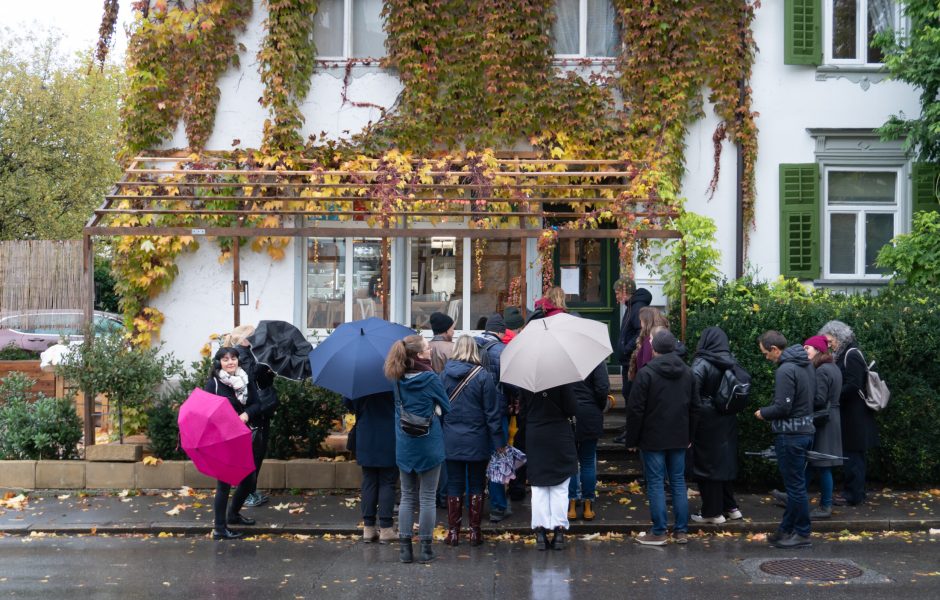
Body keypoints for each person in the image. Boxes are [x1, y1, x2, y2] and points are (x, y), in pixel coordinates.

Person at [384, 334, 451, 564]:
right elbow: (447, 406)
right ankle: (425, 549)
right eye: (427, 348)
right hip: (429, 443)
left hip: (404, 444)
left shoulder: (396, 377)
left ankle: (404, 550)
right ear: (419, 354)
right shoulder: (431, 378)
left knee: (407, 497)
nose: (430, 350)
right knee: (428, 497)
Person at [624, 330, 695, 545]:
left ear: (654, 349)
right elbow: (695, 407)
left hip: (652, 436)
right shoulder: (688, 373)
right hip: (679, 435)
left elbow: (636, 410)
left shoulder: (647, 374)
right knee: (678, 481)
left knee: (655, 482)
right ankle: (682, 530)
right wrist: (690, 434)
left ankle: (659, 531)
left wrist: (632, 439)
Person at [439, 336, 505, 546]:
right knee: (477, 484)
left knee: (454, 485)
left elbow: (438, 410)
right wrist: (498, 443)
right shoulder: (483, 376)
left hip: (451, 439)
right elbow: (492, 414)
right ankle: (475, 532)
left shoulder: (443, 376)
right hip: (478, 439)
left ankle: (453, 533)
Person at [755, 330, 816, 549]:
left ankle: (802, 533)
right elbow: (814, 398)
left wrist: (764, 412)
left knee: (795, 488)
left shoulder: (786, 370)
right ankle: (786, 530)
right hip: (806, 431)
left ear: (774, 349)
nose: (765, 357)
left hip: (790, 435)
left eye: (765, 353)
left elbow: (783, 407)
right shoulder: (805, 365)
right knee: (796, 484)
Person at [818, 320, 877, 507]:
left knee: (853, 455)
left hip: (855, 415)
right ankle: (855, 492)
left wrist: (833, 395)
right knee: (853, 455)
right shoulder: (846, 352)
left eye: (829, 340)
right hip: (852, 413)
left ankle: (853, 495)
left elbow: (853, 384)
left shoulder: (851, 354)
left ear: (839, 337)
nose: (828, 344)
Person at [204, 347, 259, 540]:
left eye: (233, 358)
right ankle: (219, 528)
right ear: (219, 362)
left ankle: (233, 514)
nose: (230, 362)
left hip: (241, 436)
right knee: (224, 484)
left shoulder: (245, 379)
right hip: (221, 438)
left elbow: (256, 404)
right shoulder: (214, 384)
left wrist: (246, 414)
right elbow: (206, 411)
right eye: (225, 359)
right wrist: (226, 420)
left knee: (249, 479)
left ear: (238, 360)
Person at [689, 327, 743, 524]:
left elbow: (692, 391)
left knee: (707, 465)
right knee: (724, 463)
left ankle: (712, 513)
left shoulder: (702, 362)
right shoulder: (731, 361)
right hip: (727, 418)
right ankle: (731, 507)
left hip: (706, 421)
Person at [225, 325, 278, 509]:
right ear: (244, 339)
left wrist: (268, 372)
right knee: (253, 454)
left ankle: (250, 491)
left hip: (257, 410)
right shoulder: (241, 355)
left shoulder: (250, 354)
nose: (256, 338)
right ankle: (246, 493)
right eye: (252, 336)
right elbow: (249, 378)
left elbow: (259, 381)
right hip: (252, 412)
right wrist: (265, 366)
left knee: (257, 453)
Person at [523, 382, 578, 550]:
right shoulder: (562, 379)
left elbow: (523, 411)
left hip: (536, 433)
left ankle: (540, 532)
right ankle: (559, 532)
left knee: (539, 488)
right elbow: (571, 408)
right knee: (560, 487)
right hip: (558, 433)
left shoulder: (526, 379)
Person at [345, 391, 398, 544]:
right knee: (388, 482)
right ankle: (386, 528)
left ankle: (368, 528)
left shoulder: (359, 380)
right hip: (389, 434)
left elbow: (348, 403)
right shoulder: (393, 380)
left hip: (366, 435)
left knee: (368, 481)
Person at [475, 313, 512, 522]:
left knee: (476, 459)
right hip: (497, 412)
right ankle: (499, 506)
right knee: (498, 457)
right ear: (500, 332)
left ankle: (475, 504)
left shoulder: (471, 347)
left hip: (473, 412)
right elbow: (512, 383)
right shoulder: (503, 351)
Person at [803, 335, 843, 519]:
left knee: (823, 464)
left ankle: (825, 506)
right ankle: (796, 496)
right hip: (830, 418)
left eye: (807, 349)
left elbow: (819, 399)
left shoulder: (821, 370)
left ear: (817, 350)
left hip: (824, 420)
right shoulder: (832, 367)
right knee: (813, 461)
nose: (805, 352)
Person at [567, 361, 610, 522]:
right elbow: (602, 387)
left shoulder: (563, 358)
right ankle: (588, 505)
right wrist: (597, 406)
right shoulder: (594, 359)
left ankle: (571, 504)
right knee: (587, 461)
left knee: (571, 461)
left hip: (569, 413)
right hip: (590, 413)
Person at [501, 306, 528, 503]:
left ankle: (502, 483)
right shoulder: (522, 345)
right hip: (519, 405)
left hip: (502, 405)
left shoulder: (497, 345)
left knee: (503, 446)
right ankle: (517, 486)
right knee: (520, 445)